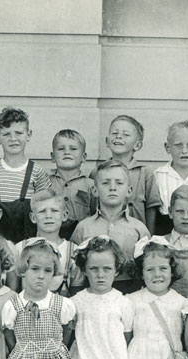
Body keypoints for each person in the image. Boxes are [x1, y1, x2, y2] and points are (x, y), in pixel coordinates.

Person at [70, 161, 150, 294]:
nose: (112, 188)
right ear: (95, 190)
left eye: (119, 183)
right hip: (92, 291)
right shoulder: (83, 228)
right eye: (105, 183)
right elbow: (75, 268)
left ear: (129, 190)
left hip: (130, 291)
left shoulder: (139, 229)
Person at [0, 107, 51, 242]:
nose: (13, 139)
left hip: (28, 238)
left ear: (28, 135)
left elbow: (44, 206)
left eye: (19, 133)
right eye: (6, 134)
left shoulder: (37, 171)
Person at [148, 120, 188, 235]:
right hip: (164, 230)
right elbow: (152, 212)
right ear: (167, 147)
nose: (184, 151)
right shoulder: (158, 175)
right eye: (178, 145)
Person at [12, 192, 75, 296]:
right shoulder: (20, 248)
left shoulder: (72, 251)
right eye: (42, 211)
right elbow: (14, 289)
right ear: (33, 217)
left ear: (64, 215)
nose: (48, 216)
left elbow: (75, 291)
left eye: (54, 211)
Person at [104, 115, 156, 226]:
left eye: (126, 134)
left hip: (137, 235)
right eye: (114, 133)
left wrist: (148, 236)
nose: (118, 137)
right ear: (107, 141)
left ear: (137, 145)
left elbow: (151, 208)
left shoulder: (145, 173)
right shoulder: (98, 172)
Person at [46, 129, 94, 238]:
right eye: (61, 149)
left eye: (73, 149)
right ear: (53, 157)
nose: (67, 152)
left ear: (84, 157)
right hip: (51, 234)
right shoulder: (45, 182)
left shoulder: (90, 185)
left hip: (81, 236)